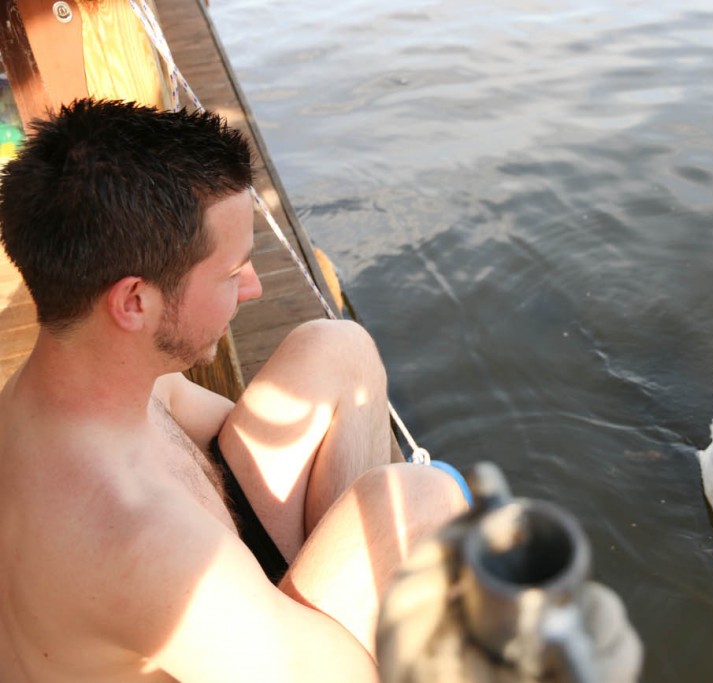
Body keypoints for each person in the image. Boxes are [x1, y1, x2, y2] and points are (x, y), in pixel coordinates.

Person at [0, 98, 468, 682]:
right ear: (134, 301)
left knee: (336, 348)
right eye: (230, 273)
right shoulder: (138, 543)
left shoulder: (80, 385)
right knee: (420, 502)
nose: (254, 289)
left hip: (217, 606)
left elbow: (220, 442)